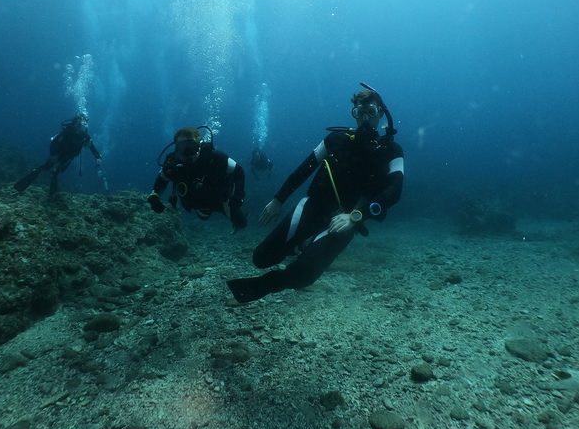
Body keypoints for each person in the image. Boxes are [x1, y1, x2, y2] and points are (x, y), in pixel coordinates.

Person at [226, 84, 404, 303]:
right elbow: (304, 170)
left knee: (302, 276)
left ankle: (269, 282)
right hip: (313, 206)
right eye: (359, 112)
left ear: (381, 114)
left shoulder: (392, 150)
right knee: (260, 258)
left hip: (346, 218)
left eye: (372, 112)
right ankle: (301, 246)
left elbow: (395, 192)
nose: (365, 118)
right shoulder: (335, 140)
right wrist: (278, 199)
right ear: (354, 114)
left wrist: (356, 216)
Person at [147, 127, 247, 232]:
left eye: (192, 147)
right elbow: (162, 179)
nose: (188, 152)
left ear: (199, 145)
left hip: (222, 200)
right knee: (203, 217)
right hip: (198, 204)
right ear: (176, 148)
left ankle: (237, 221)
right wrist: (155, 196)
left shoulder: (215, 157)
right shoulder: (172, 163)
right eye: (183, 147)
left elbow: (238, 171)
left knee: (242, 223)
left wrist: (239, 194)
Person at [14, 113, 102, 196]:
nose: (85, 125)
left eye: (86, 123)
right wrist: (54, 154)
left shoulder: (85, 136)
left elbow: (92, 146)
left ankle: (52, 195)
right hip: (58, 151)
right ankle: (27, 180)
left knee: (56, 172)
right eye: (84, 123)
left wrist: (97, 156)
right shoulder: (69, 130)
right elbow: (55, 141)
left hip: (69, 156)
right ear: (77, 124)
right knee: (48, 165)